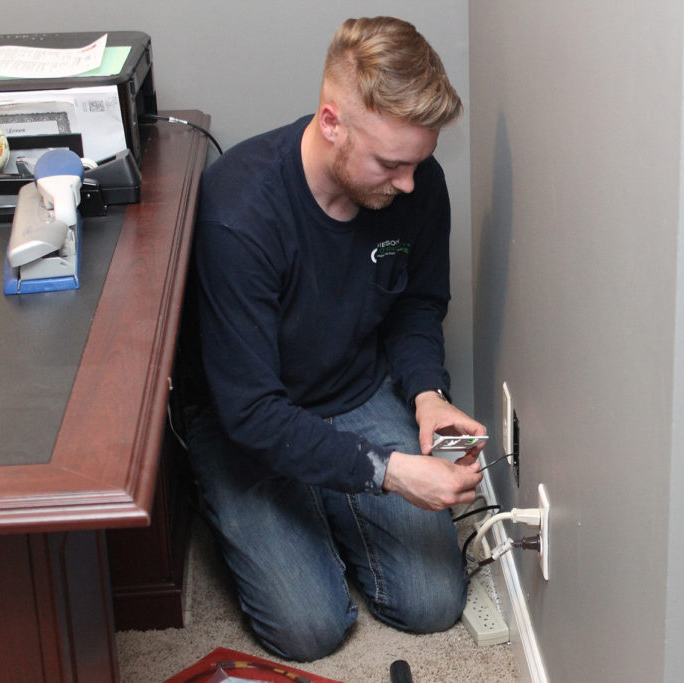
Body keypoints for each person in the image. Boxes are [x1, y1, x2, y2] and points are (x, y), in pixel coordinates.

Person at [175, 16, 486, 662]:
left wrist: (428, 394)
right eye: (391, 164)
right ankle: (254, 501)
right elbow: (253, 412)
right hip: (249, 420)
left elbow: (417, 306)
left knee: (433, 604)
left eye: (417, 163)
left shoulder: (417, 182)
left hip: (353, 385)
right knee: (309, 628)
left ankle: (331, 486)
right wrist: (393, 473)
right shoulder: (240, 212)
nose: (408, 183)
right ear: (332, 122)